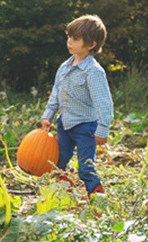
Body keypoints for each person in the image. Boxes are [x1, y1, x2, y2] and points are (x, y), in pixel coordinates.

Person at [40, 14, 112, 197]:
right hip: (64, 124)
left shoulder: (93, 72)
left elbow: (103, 102)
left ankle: (97, 199)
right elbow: (56, 93)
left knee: (86, 168)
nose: (69, 42)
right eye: (69, 37)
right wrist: (48, 115)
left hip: (85, 127)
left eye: (75, 39)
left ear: (91, 44)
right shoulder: (64, 67)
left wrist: (103, 129)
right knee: (58, 162)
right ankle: (65, 192)